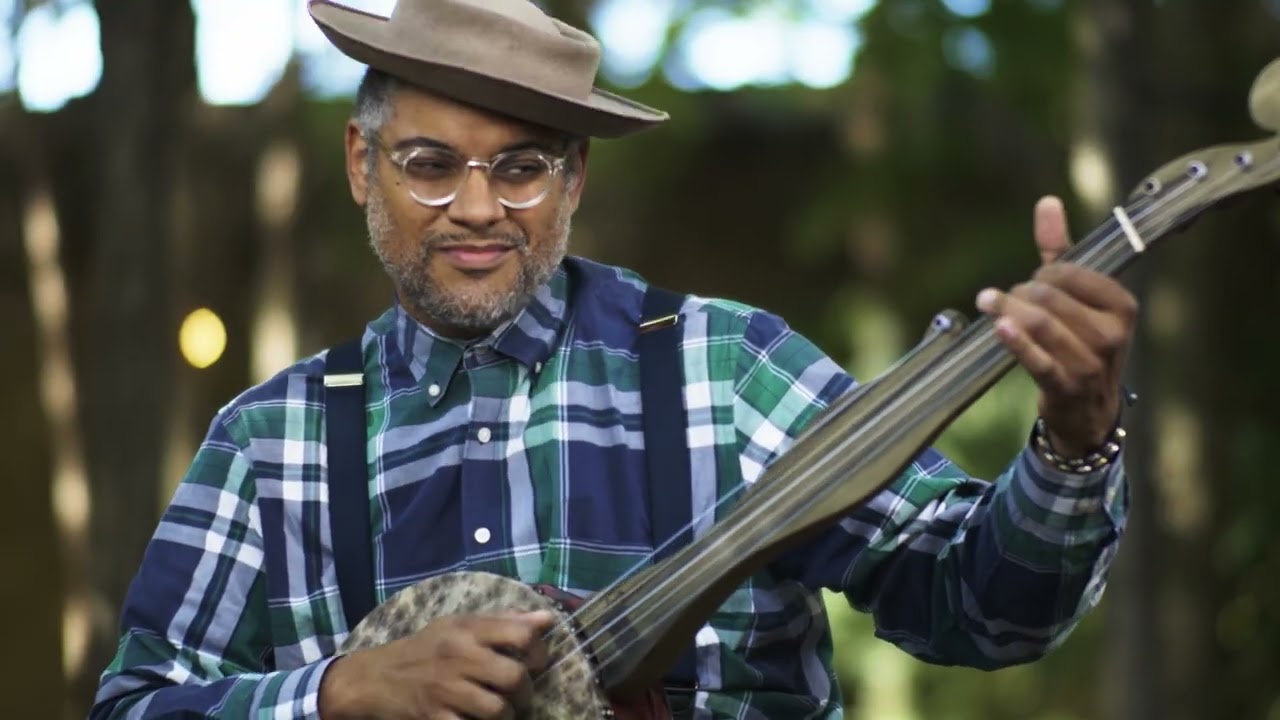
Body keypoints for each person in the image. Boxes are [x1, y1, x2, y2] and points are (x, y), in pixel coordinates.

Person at [90, 0, 1137, 718]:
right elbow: (138, 703)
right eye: (430, 164)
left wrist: (1073, 446)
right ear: (363, 164)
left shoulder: (727, 369)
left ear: (575, 177)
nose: (476, 207)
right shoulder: (270, 443)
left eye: (521, 167)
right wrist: (341, 694)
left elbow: (982, 608)